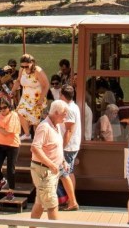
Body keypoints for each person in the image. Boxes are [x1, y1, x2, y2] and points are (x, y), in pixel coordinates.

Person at [29, 99, 69, 224]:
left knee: (40, 203)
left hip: (49, 170)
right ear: (56, 113)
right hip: (44, 171)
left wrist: (62, 161)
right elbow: (35, 148)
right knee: (52, 204)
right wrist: (51, 164)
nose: (66, 116)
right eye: (64, 113)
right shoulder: (44, 127)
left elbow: (55, 147)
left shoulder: (56, 125)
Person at [13, 53, 49, 141]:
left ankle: (38, 142)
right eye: (22, 66)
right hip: (25, 97)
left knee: (35, 123)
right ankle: (27, 134)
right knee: (19, 113)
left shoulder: (38, 70)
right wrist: (12, 91)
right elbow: (18, 81)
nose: (24, 68)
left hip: (37, 98)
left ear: (32, 63)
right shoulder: (22, 70)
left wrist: (41, 99)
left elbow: (46, 85)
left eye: (26, 66)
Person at [59, 84, 81, 212]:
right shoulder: (75, 106)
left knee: (65, 174)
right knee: (69, 172)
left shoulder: (69, 109)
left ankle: (72, 201)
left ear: (62, 95)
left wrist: (61, 148)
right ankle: (70, 200)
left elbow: (68, 131)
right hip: (72, 145)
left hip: (68, 146)